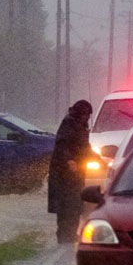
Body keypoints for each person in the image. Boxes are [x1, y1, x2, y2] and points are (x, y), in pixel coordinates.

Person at [48, 100, 95, 243]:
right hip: (63, 173)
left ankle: (71, 233)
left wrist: (97, 158)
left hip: (77, 172)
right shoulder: (68, 124)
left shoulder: (81, 125)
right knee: (65, 204)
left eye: (88, 115)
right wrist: (69, 161)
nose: (87, 117)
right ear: (80, 113)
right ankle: (63, 235)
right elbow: (62, 145)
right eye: (86, 114)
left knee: (75, 203)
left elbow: (84, 147)